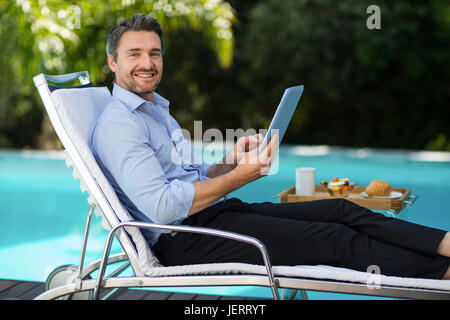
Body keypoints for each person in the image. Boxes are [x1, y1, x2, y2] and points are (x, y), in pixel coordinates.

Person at [91, 14, 450, 280]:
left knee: (340, 208)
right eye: (134, 54)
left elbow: (189, 178)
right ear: (112, 62)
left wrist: (229, 163)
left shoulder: (154, 109)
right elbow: (163, 209)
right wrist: (240, 178)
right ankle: (442, 274)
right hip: (184, 240)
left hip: (214, 216)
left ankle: (445, 243)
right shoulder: (120, 126)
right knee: (334, 239)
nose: (147, 63)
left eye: (154, 53)